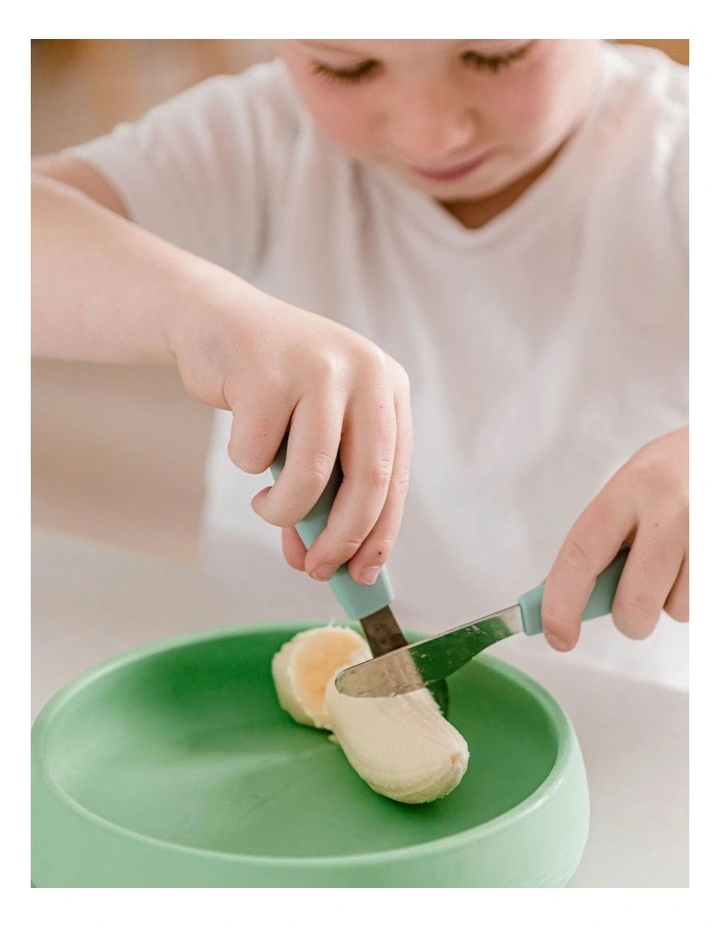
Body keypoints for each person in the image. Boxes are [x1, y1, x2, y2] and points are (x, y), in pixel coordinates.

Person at [32, 40, 688, 689]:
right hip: (265, 673)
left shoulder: (682, 152)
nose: (430, 135)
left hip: (617, 700)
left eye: (494, 56)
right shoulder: (258, 137)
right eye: (346, 68)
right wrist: (197, 311)